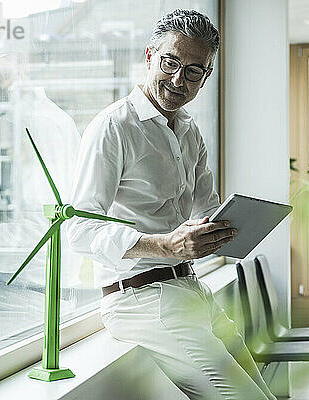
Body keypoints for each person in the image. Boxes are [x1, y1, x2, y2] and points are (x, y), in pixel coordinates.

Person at [67, 9, 277, 400]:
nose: (179, 79)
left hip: (191, 289)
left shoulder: (189, 131)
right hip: (141, 301)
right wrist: (166, 245)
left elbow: (206, 210)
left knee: (264, 392)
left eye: (194, 70)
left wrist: (231, 225)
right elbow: (77, 229)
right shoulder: (114, 127)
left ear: (206, 76)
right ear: (150, 57)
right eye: (170, 63)